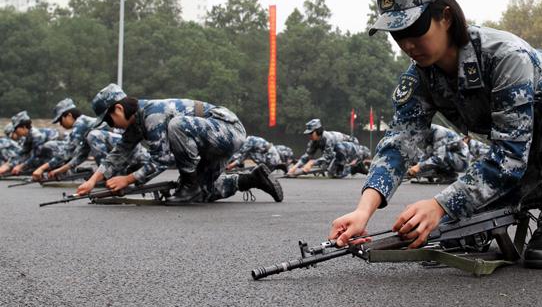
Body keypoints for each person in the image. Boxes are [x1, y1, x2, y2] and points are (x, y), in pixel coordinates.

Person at [329, 0, 542, 268]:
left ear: (445, 16)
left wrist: (440, 204)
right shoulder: (419, 78)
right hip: (530, 146)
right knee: (458, 229)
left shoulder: (504, 56)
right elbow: (399, 143)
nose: (407, 44)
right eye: (397, 34)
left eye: (414, 30)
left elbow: (509, 159)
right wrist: (364, 211)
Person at [76, 84, 283, 205]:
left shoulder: (152, 114)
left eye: (109, 120)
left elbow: (162, 159)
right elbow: (119, 152)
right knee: (204, 193)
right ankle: (253, 179)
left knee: (177, 125)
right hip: (213, 140)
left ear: (118, 110)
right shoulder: (136, 121)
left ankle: (189, 183)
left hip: (227, 130)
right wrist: (93, 181)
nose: (111, 126)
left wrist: (127, 179)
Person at [31, 98, 105, 181]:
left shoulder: (81, 125)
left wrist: (41, 169)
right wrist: (58, 171)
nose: (60, 124)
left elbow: (66, 152)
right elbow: (80, 156)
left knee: (94, 136)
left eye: (60, 120)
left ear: (69, 116)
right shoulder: (84, 126)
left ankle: (106, 175)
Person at [287, 119, 362, 178]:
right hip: (340, 152)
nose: (309, 135)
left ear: (318, 131)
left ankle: (344, 167)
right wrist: (294, 168)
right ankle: (349, 168)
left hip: (353, 147)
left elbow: (328, 157)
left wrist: (312, 163)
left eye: (311, 133)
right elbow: (307, 155)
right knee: (331, 174)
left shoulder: (328, 138)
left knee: (338, 146)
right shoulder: (313, 141)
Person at [0, 111, 59, 176]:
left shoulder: (36, 135)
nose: (16, 132)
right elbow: (23, 153)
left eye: (16, 129)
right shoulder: (28, 136)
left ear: (24, 127)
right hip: (47, 156)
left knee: (32, 164)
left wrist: (21, 166)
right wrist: (8, 165)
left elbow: (36, 156)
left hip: (58, 154)